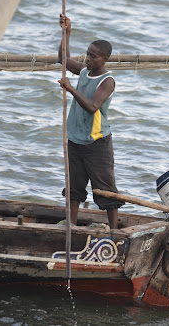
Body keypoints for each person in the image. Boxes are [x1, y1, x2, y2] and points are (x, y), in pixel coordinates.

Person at [58, 15, 124, 229]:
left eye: (92, 56)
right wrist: (67, 32)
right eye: (87, 54)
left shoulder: (107, 81)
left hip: (97, 142)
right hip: (76, 139)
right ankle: (72, 226)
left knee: (105, 188)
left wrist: (70, 89)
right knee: (74, 187)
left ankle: (114, 231)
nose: (87, 58)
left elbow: (92, 106)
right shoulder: (85, 71)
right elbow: (63, 59)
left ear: (104, 59)